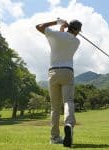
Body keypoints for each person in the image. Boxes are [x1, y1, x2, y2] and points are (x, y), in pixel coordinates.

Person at [35, 18, 82, 147]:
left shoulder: (56, 35)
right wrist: (65, 29)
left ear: (68, 27)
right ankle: (68, 124)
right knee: (68, 101)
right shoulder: (77, 41)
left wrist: (58, 22)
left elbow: (39, 26)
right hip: (67, 72)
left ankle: (54, 137)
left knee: (55, 107)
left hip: (53, 73)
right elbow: (66, 37)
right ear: (77, 31)